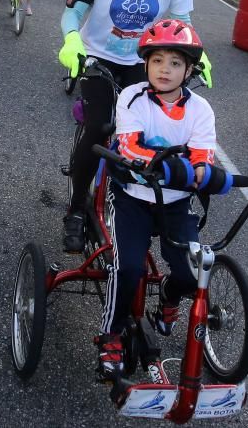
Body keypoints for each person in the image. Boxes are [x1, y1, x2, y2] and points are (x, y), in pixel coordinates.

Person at [57, 0, 212, 253]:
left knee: (155, 134)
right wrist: (71, 39)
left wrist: (198, 53)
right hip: (98, 56)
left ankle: (141, 205)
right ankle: (76, 209)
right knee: (99, 127)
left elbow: (181, 20)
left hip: (146, 61)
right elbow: (74, 9)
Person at [94, 19, 222, 379]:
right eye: (158, 61)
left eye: (176, 63)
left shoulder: (201, 110)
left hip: (175, 202)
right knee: (130, 268)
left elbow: (202, 156)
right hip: (132, 195)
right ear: (146, 64)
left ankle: (168, 295)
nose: (165, 70)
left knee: (190, 272)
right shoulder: (132, 97)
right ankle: (111, 334)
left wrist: (200, 172)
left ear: (190, 70)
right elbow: (129, 145)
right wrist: (166, 166)